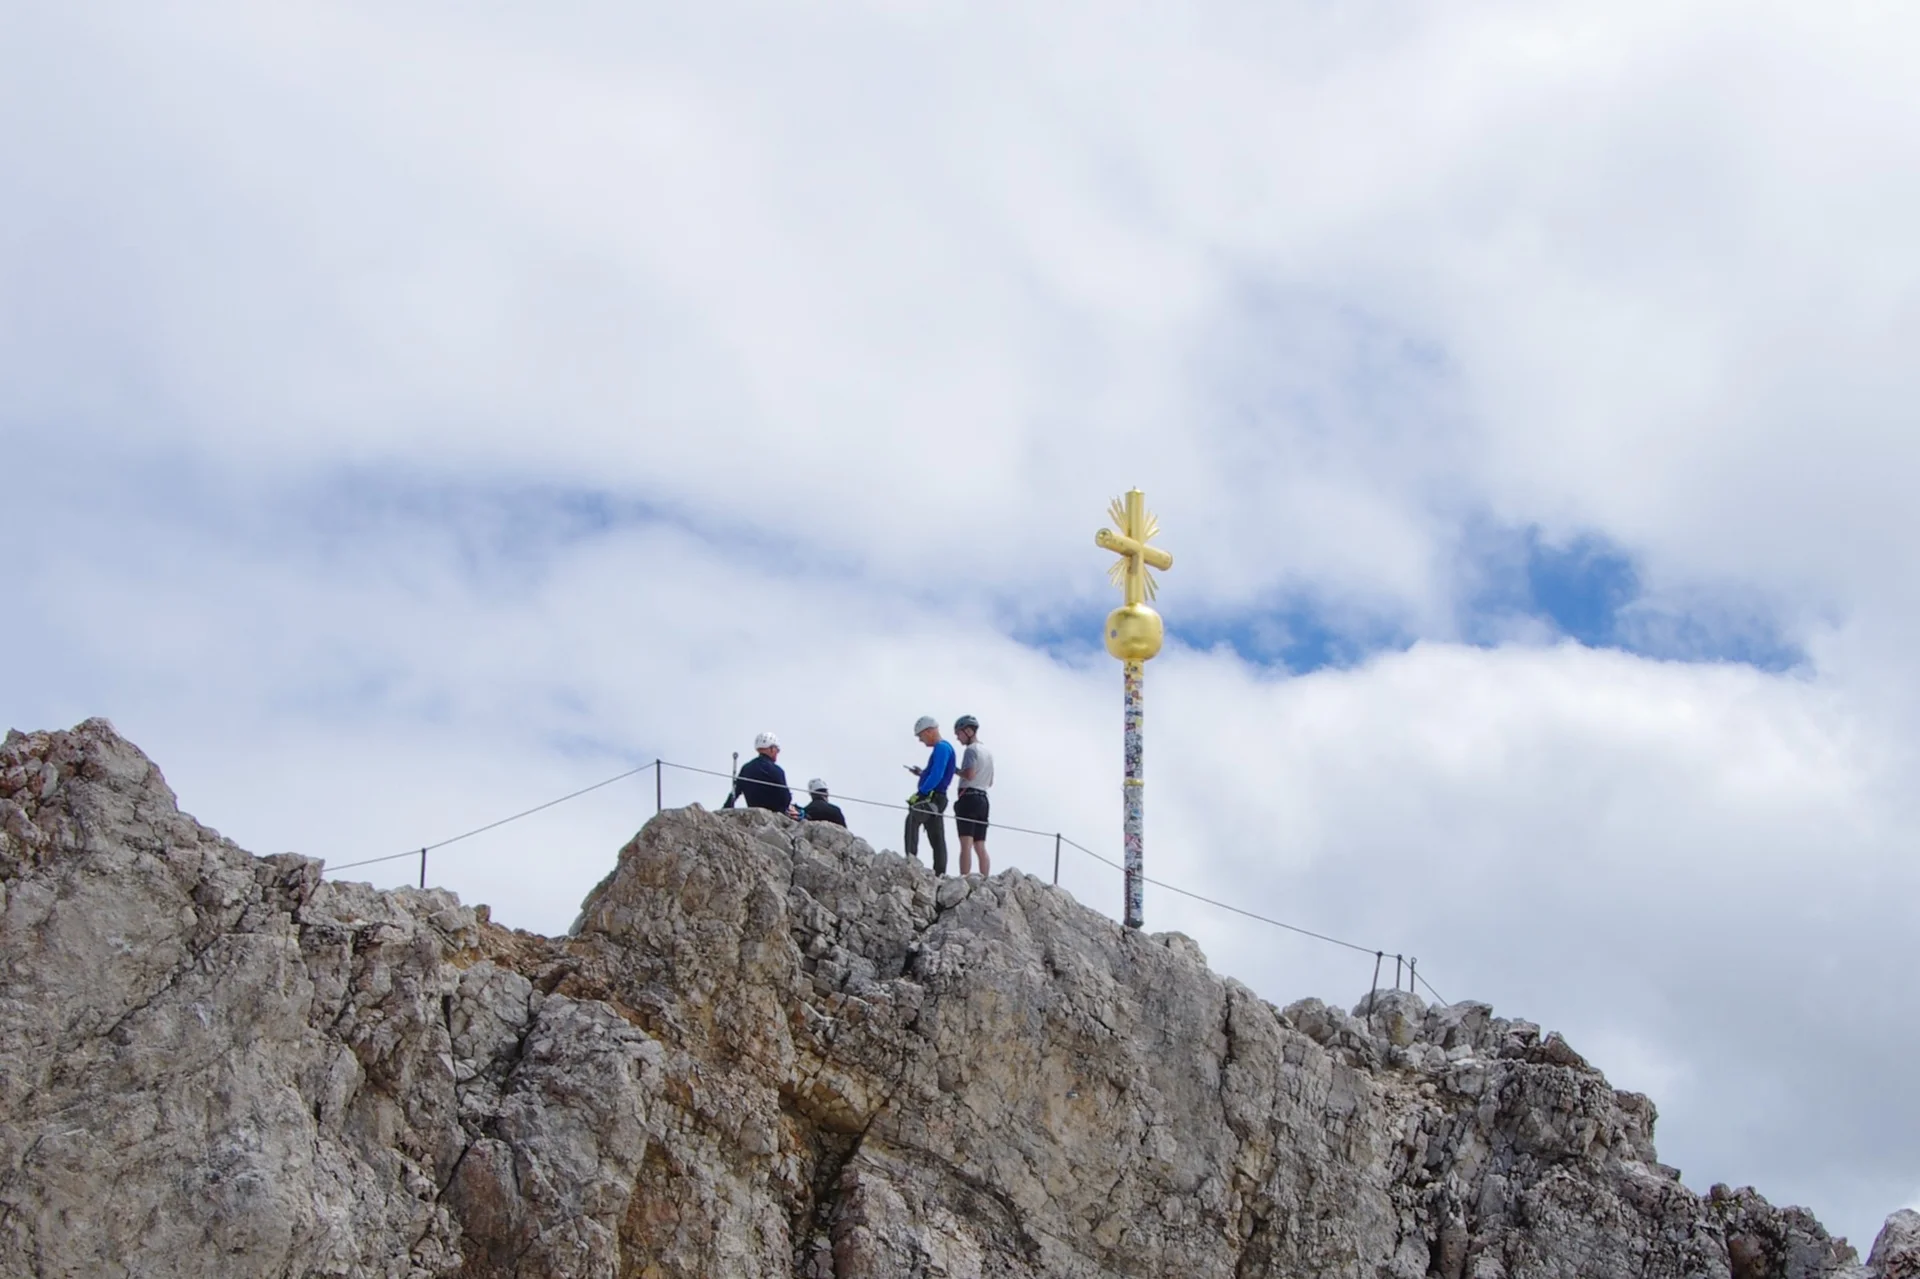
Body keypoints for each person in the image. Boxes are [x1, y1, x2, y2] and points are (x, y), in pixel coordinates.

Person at [904, 714, 955, 874]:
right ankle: (940, 872)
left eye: (921, 736)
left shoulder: (941, 747)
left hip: (933, 796)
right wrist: (922, 774)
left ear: (928, 732)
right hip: (938, 797)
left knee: (913, 818)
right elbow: (935, 773)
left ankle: (911, 860)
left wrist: (921, 793)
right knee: (936, 835)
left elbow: (938, 774)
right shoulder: (944, 748)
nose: (921, 740)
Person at [952, 714, 993, 876]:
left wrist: (954, 770)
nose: (958, 737)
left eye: (959, 733)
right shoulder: (988, 752)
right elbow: (991, 782)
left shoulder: (971, 750)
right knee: (980, 845)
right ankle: (985, 879)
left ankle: (964, 878)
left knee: (966, 844)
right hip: (983, 799)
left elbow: (969, 774)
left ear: (968, 731)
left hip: (968, 798)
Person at [736, 732, 797, 816]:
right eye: (777, 749)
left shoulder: (746, 768)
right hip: (775, 815)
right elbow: (786, 799)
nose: (778, 753)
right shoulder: (777, 770)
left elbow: (735, 792)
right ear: (771, 749)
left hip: (753, 813)